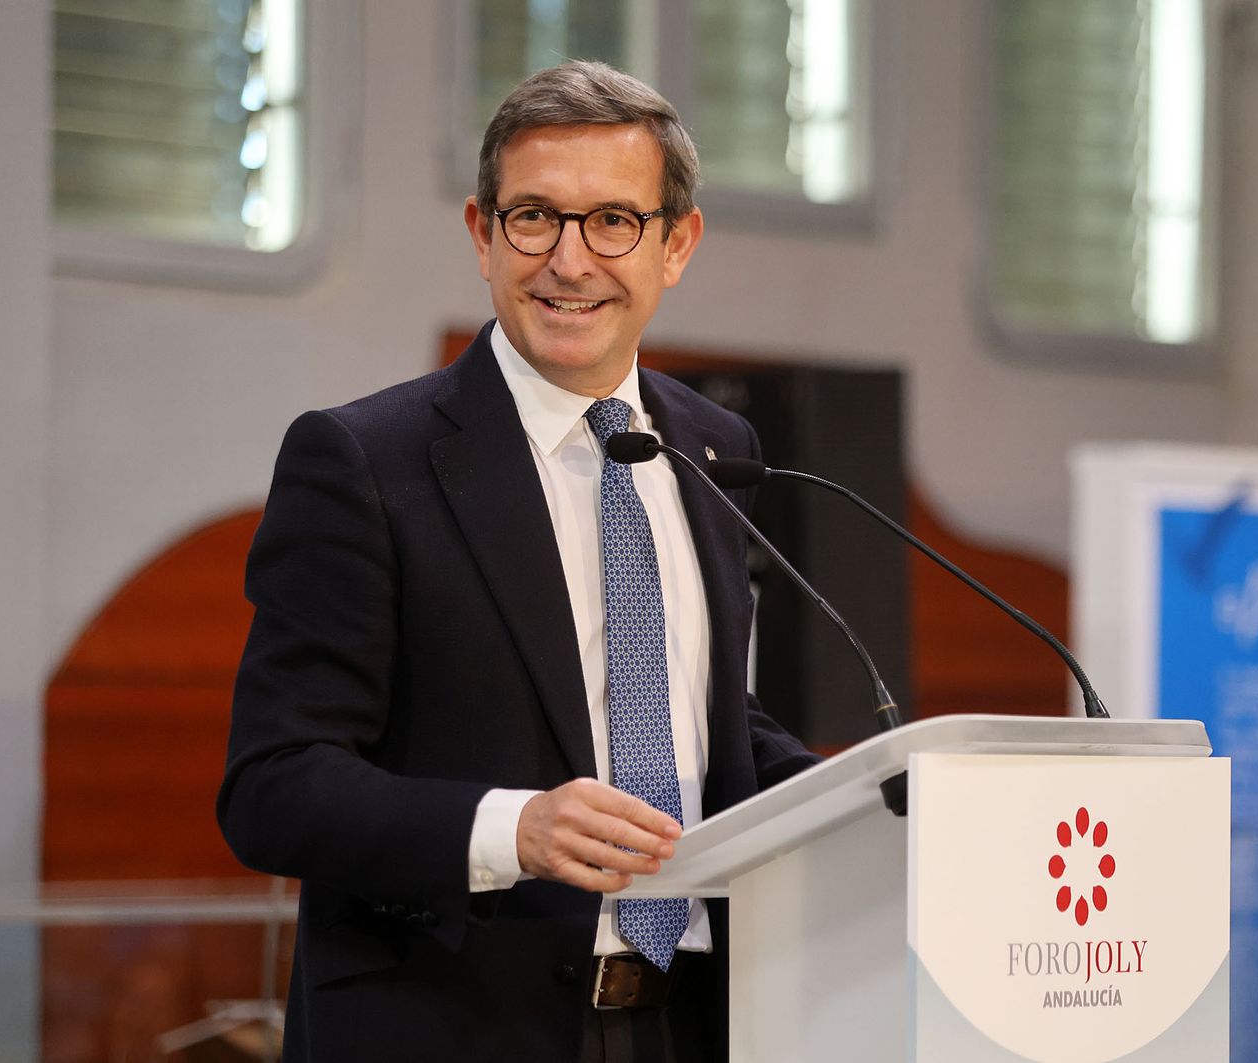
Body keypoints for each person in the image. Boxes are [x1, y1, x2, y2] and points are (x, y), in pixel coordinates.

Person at [218, 59, 819, 1062]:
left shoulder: (713, 448)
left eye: (613, 222)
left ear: (677, 244)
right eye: (535, 217)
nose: (569, 261)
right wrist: (511, 829)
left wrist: (867, 798)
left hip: (696, 1022)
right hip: (455, 1024)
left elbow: (704, 717)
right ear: (481, 234)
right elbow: (273, 784)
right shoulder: (364, 461)